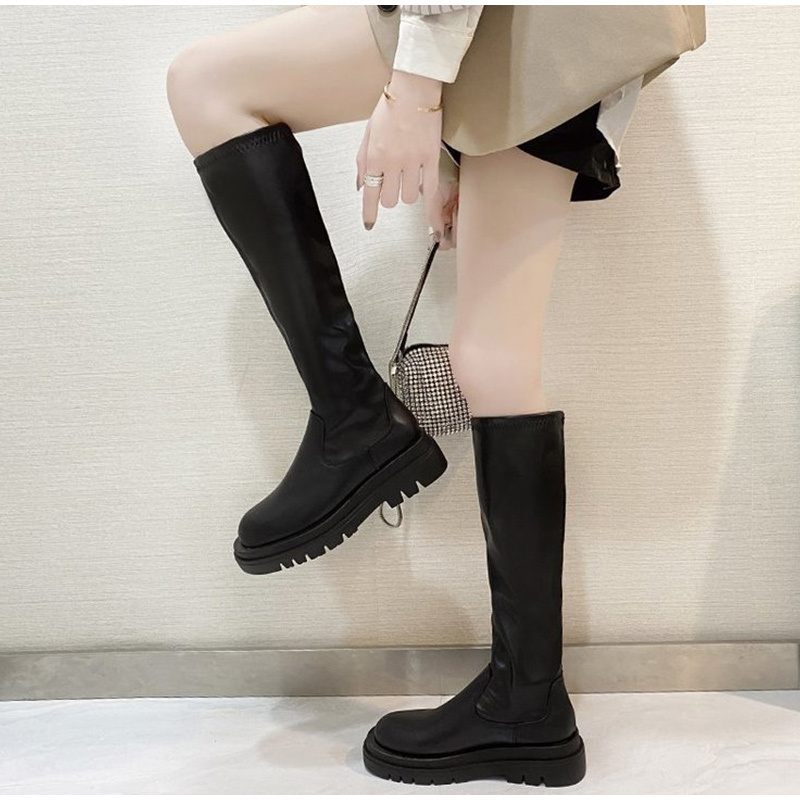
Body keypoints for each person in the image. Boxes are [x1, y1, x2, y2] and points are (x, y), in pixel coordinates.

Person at [166, 4, 702, 786]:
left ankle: (354, 422)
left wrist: (415, 92)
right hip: (577, 38)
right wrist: (457, 150)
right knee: (491, 357)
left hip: (527, 22)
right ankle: (527, 706)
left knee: (207, 85)